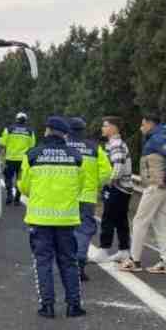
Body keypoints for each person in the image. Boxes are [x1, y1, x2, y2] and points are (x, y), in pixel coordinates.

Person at [20, 116, 86, 318]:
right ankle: (74, 305)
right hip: (66, 220)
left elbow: (25, 187)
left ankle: (47, 306)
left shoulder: (32, 155)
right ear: (65, 134)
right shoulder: (76, 156)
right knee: (69, 261)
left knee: (43, 262)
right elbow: (80, 187)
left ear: (47, 131)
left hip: (40, 220)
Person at [120, 114, 166, 274]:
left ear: (149, 124)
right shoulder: (159, 137)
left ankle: (134, 260)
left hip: (155, 187)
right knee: (160, 224)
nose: (141, 128)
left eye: (142, 124)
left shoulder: (157, 139)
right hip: (160, 188)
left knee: (139, 221)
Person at [66, 117, 110, 282]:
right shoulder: (94, 148)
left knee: (67, 231)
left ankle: (68, 265)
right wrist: (95, 185)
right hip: (87, 197)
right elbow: (106, 172)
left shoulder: (62, 147)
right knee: (84, 231)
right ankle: (80, 262)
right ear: (83, 131)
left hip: (66, 197)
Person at [90, 117, 133, 263]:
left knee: (108, 218)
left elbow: (118, 166)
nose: (102, 128)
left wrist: (109, 182)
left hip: (117, 187)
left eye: (105, 126)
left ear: (114, 128)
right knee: (121, 219)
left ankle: (104, 250)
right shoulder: (115, 144)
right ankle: (124, 250)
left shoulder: (116, 144)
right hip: (123, 188)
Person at [0, 112, 35, 205]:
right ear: (25, 120)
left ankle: (9, 194)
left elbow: (2, 143)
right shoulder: (30, 131)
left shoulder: (9, 129)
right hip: (23, 160)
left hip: (10, 158)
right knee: (20, 179)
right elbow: (32, 146)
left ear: (16, 119)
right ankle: (17, 198)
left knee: (8, 177)